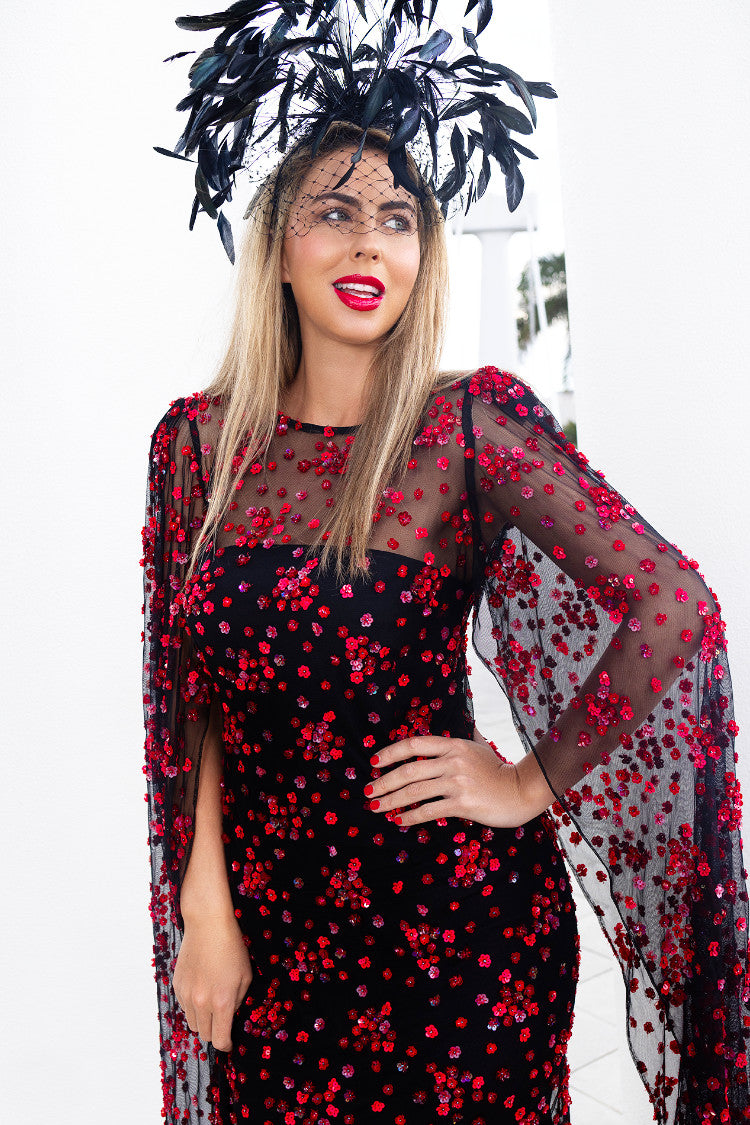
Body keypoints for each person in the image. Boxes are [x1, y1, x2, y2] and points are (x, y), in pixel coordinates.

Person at [143, 119, 748, 1124]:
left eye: (397, 218)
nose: (370, 244)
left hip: (456, 936)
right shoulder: (198, 445)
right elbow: (189, 694)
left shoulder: (470, 428)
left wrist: (526, 783)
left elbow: (673, 604)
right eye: (334, 213)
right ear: (276, 251)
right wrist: (202, 901)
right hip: (267, 928)